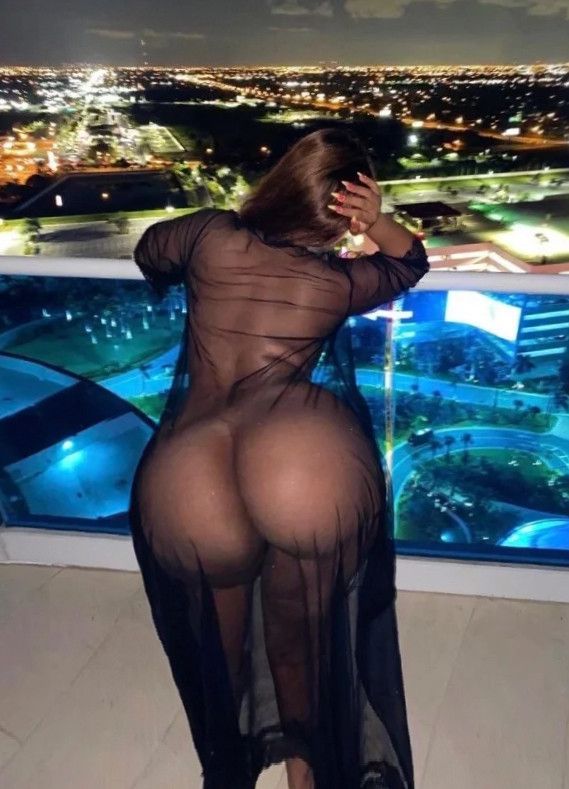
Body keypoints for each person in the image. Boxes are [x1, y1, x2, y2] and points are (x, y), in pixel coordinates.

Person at [129, 128, 430, 789]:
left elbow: (149, 251)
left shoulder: (210, 235)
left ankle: (231, 772)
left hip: (190, 468)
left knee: (221, 648)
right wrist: (377, 222)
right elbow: (408, 264)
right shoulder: (333, 283)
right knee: (305, 636)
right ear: (339, 217)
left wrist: (201, 252)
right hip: (299, 455)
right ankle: (307, 771)